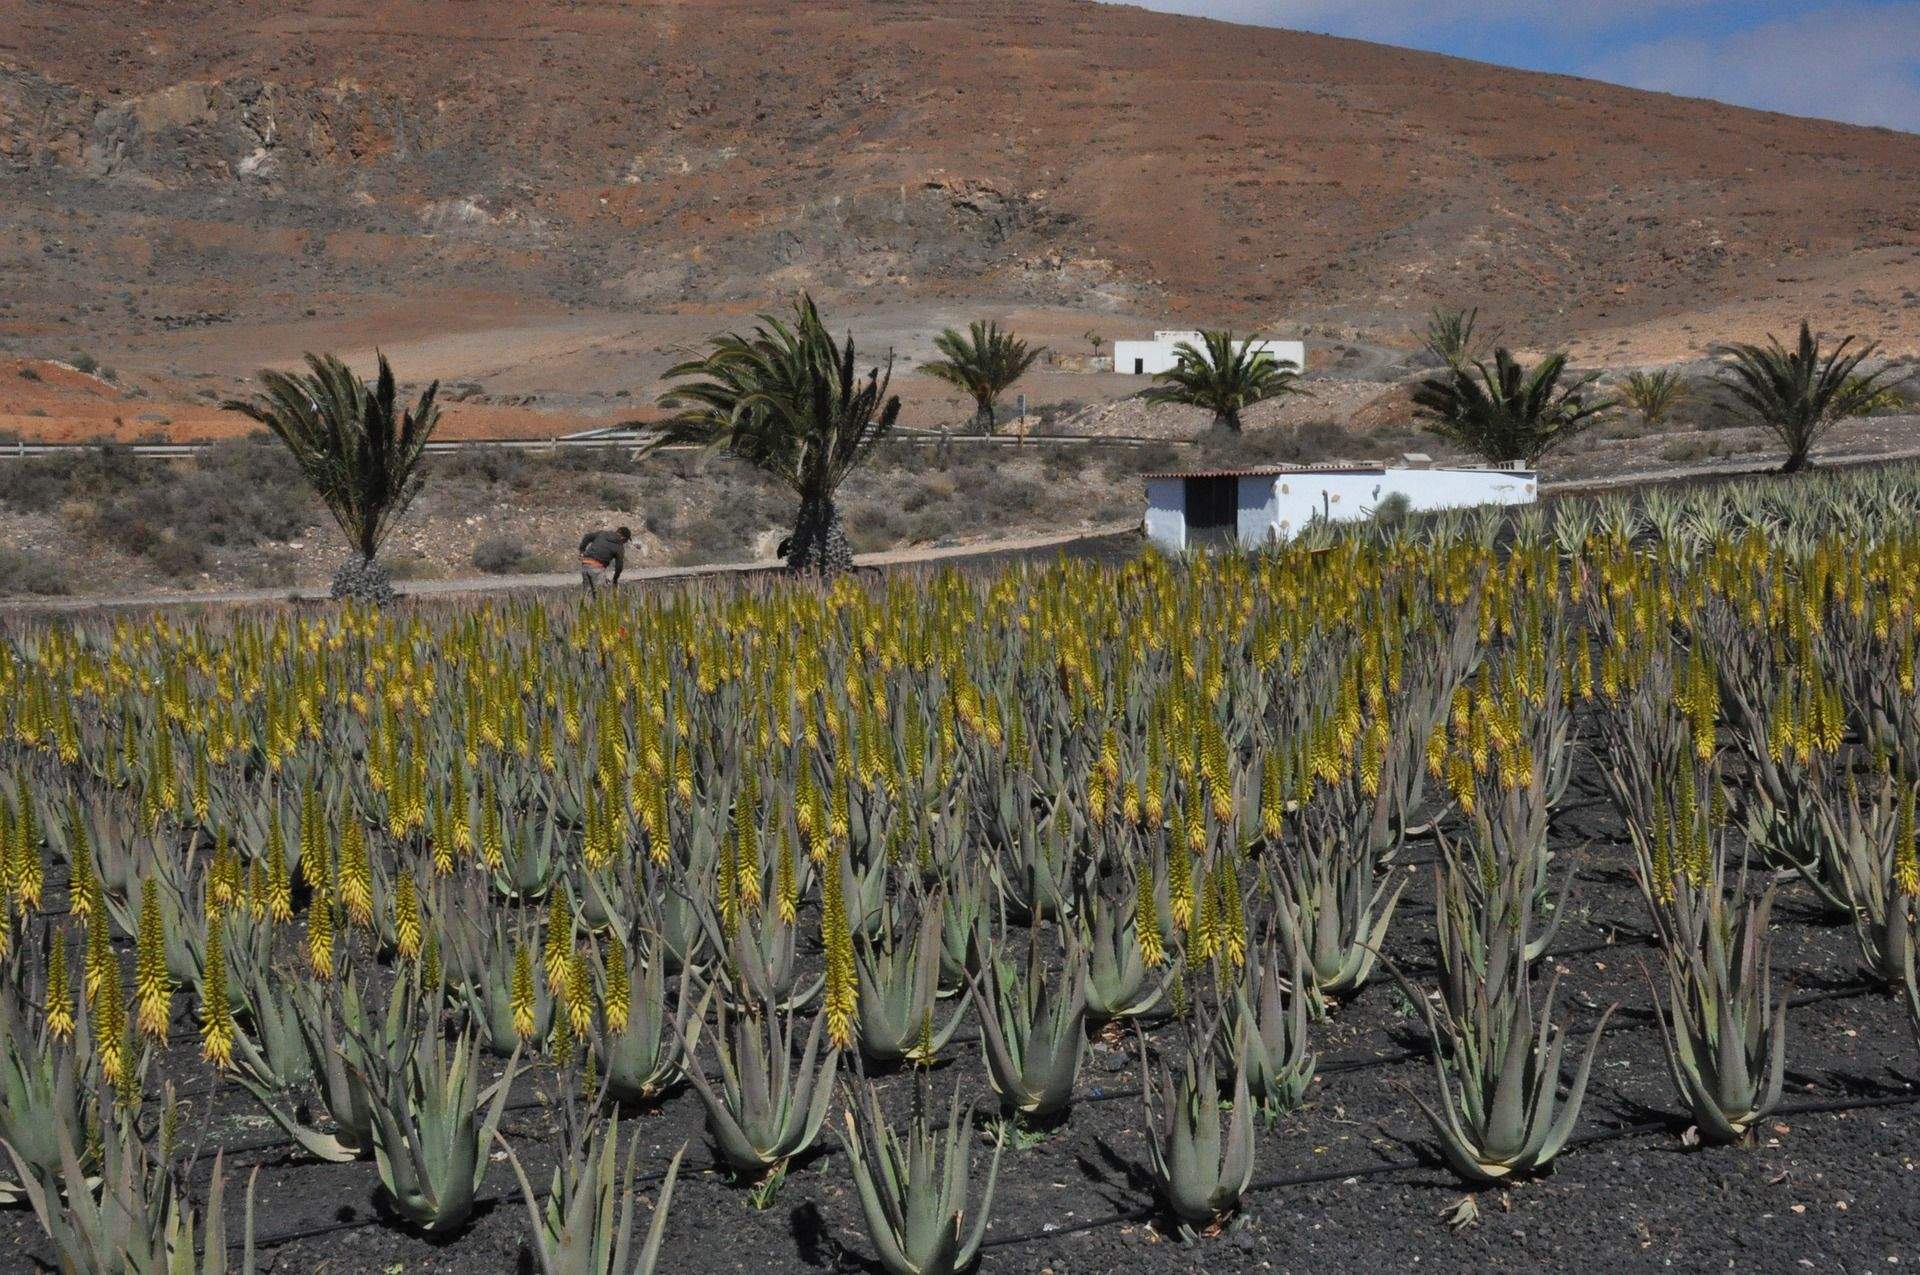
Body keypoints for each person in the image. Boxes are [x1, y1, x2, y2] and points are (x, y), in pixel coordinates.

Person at [578, 526, 632, 594]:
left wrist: (582, 551)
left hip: (585, 565)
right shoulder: (619, 546)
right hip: (596, 568)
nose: (625, 543)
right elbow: (619, 566)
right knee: (601, 596)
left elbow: (587, 537)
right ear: (623, 538)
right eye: (626, 541)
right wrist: (615, 580)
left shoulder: (602, 534)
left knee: (587, 594)